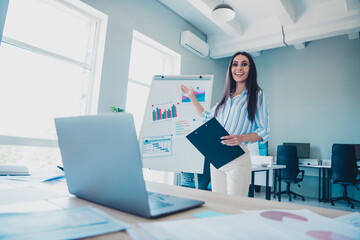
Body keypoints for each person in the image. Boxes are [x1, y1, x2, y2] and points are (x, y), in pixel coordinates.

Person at [180, 51, 270, 196]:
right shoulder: (227, 97)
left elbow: (264, 131)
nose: (239, 68)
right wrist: (191, 96)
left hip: (237, 158)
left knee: (234, 206)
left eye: (244, 64)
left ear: (250, 69)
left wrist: (241, 138)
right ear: (230, 69)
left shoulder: (257, 95)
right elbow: (207, 117)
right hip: (217, 158)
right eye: (235, 64)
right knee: (219, 204)